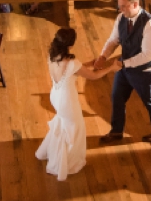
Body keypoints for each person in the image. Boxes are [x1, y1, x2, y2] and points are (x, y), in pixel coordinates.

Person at [36, 28, 113, 181]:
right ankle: (67, 163)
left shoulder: (52, 55)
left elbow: (74, 70)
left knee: (63, 125)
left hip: (55, 96)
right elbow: (94, 76)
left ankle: (55, 153)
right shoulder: (72, 62)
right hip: (67, 101)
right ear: (70, 45)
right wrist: (111, 68)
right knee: (75, 129)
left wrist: (88, 64)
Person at [95, 0, 151, 143]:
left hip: (145, 71)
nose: (120, 10)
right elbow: (114, 40)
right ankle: (116, 131)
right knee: (117, 97)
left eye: (124, 6)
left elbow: (147, 55)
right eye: (119, 6)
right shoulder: (121, 17)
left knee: (150, 102)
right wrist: (103, 55)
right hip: (125, 66)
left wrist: (122, 63)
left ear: (135, 4)